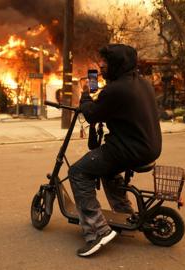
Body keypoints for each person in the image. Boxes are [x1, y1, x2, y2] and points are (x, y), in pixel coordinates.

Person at [69, 44, 162, 257]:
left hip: (129, 148)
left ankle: (97, 231)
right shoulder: (141, 83)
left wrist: (84, 96)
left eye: (105, 62)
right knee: (105, 169)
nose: (101, 66)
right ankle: (124, 213)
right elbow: (116, 106)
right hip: (149, 146)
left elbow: (92, 115)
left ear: (117, 64)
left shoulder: (116, 89)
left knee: (78, 172)